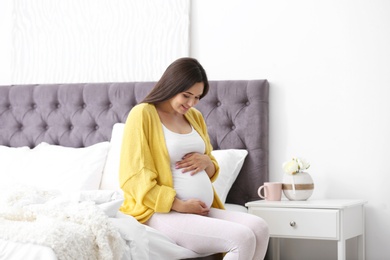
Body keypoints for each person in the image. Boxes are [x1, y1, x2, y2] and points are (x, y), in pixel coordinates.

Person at [119, 57, 269, 259]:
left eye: (197, 97)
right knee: (241, 237)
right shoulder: (143, 113)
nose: (191, 103)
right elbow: (133, 176)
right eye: (186, 96)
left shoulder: (194, 116)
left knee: (259, 227)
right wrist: (179, 204)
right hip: (162, 212)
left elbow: (210, 166)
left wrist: (208, 162)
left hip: (199, 210)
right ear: (171, 86)